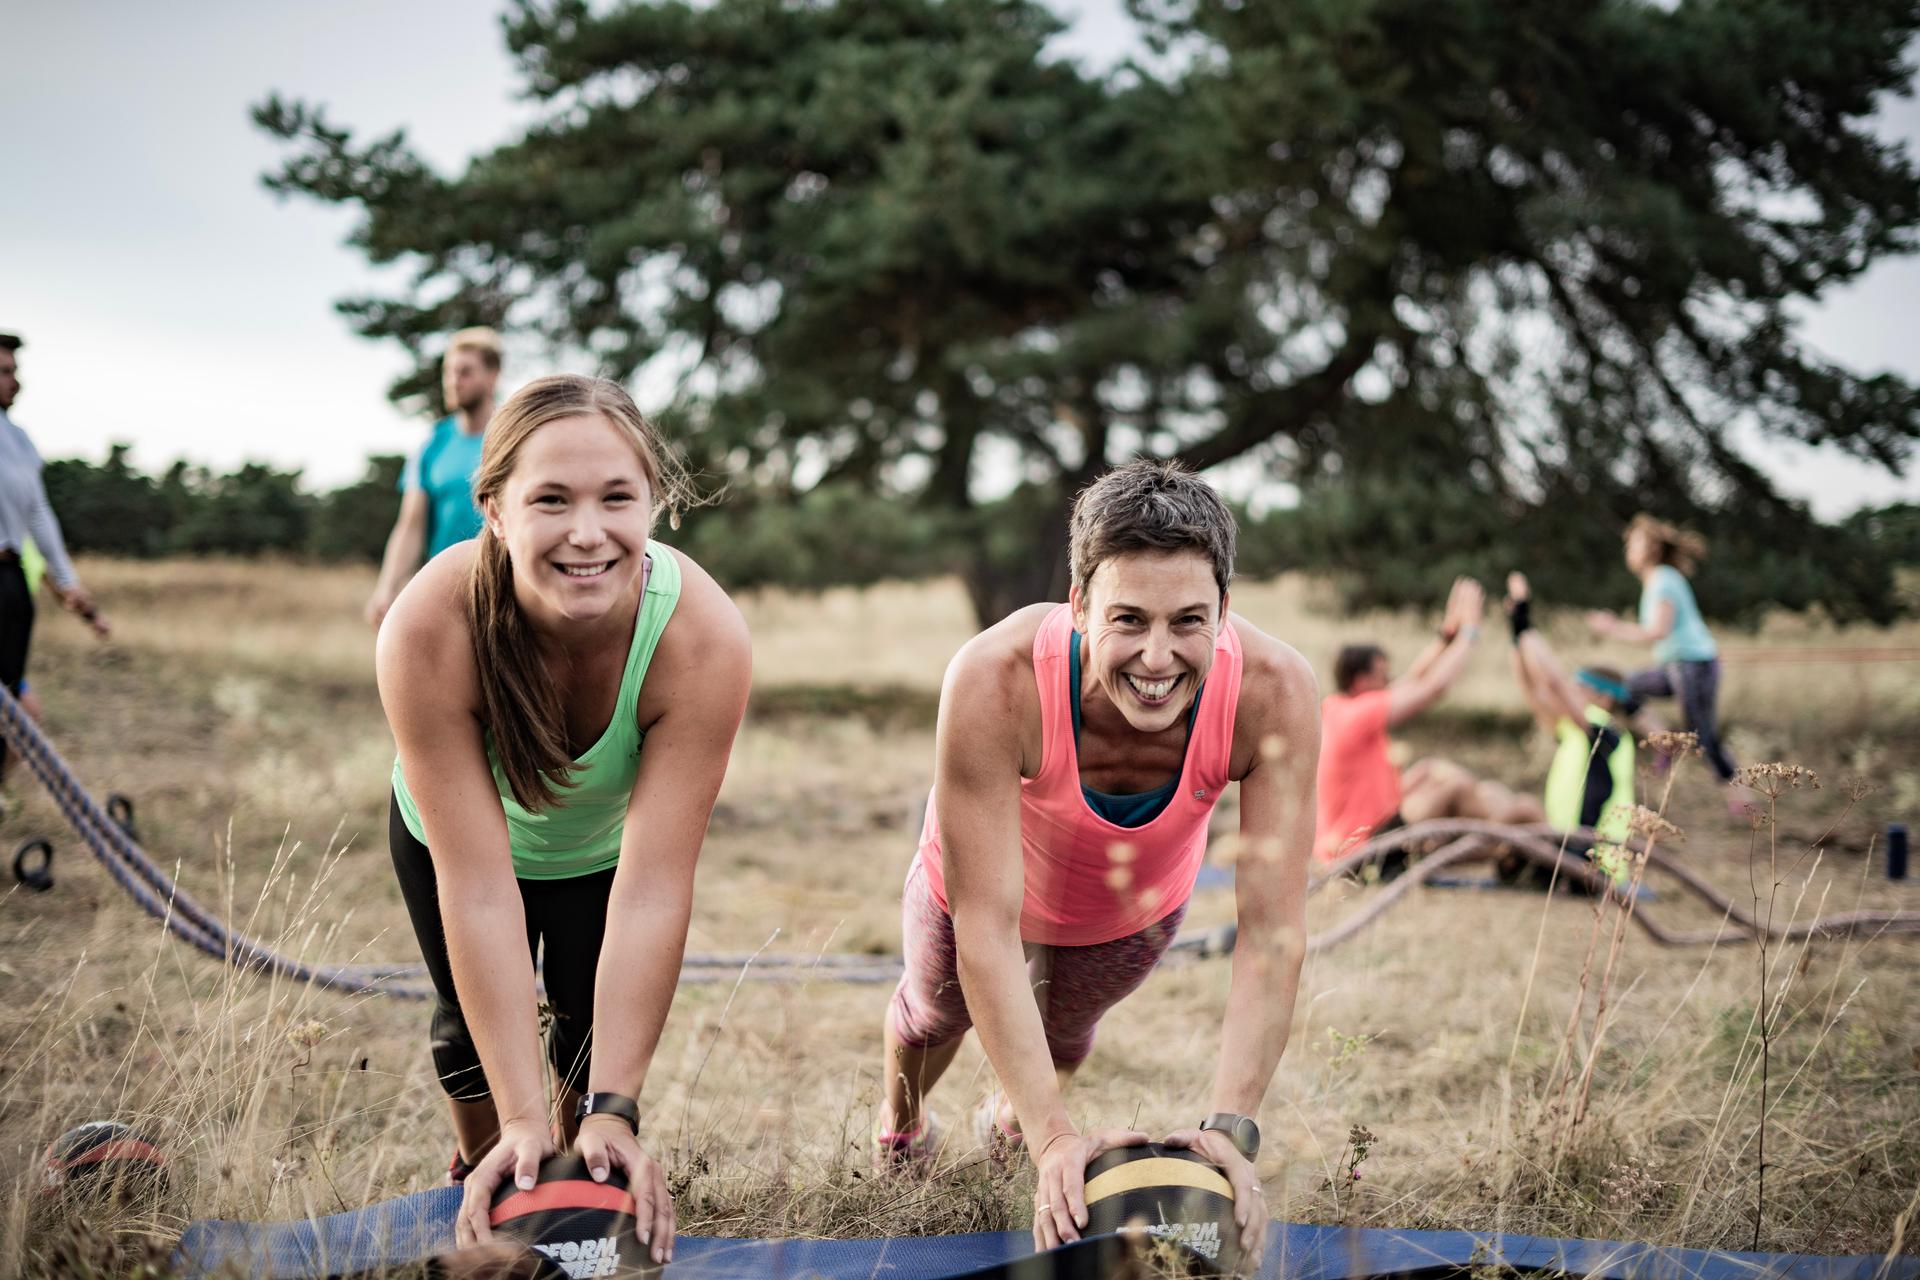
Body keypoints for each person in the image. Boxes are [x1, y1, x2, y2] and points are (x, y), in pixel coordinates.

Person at [877, 459, 1319, 1265]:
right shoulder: (993, 676)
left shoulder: (1276, 690)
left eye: (1189, 620)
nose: (1157, 658)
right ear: (1078, 605)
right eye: (1129, 620)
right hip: (977, 887)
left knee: (1066, 1037)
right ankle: (903, 1129)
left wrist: (1231, 1130)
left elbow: (1272, 932)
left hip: (1132, 905)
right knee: (934, 1017)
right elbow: (987, 926)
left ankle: (1011, 1127)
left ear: (1225, 607)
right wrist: (1059, 1139)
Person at [377, 374, 751, 1264]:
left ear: (654, 503)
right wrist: (516, 1122)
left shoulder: (703, 639)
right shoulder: (427, 628)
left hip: (601, 852)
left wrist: (613, 1110)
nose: (587, 532)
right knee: (466, 1034)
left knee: (585, 1048)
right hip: (456, 847)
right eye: (551, 499)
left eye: (617, 497)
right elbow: (477, 889)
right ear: (495, 510)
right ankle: (483, 1165)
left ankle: (569, 1179)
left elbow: (656, 886)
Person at [1315, 577, 1543, 864]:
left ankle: (1500, 833)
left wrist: (1447, 635)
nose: (1390, 681)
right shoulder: (1359, 714)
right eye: (1383, 675)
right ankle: (1503, 839)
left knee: (1433, 771)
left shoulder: (1338, 708)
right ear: (1361, 681)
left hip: (1359, 837)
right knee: (1507, 803)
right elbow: (1432, 687)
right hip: (1367, 850)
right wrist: (1470, 632)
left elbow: (1413, 679)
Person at [0, 332, 111, 781]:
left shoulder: (20, 441)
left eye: (14, 371)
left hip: (9, 581)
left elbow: (39, 516)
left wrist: (66, 580)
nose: (15, 381)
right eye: (4, 372)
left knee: (10, 708)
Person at [1585, 514, 1738, 799]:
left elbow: (1657, 631)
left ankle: (1742, 797)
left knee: (1702, 738)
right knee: (1623, 687)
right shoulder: (1658, 579)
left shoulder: (1663, 580)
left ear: (1651, 549)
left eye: (1634, 544)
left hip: (1695, 666)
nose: (1628, 551)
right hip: (1675, 667)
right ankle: (1665, 741)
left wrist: (1612, 627)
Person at [366, 327, 504, 628]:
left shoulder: (511, 438)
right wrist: (387, 587)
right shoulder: (432, 445)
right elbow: (411, 525)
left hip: (506, 591)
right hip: (445, 592)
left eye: (466, 371)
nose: (455, 381)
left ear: (492, 375)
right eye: (449, 372)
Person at [1506, 572, 1636, 862]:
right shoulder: (1577, 732)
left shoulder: (1607, 733)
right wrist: (1516, 631)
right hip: (1569, 849)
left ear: (1604, 698)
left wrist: (1526, 618)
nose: (1571, 694)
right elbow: (1533, 689)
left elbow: (1553, 683)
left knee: (1522, 810)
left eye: (1580, 689)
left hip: (1595, 864)